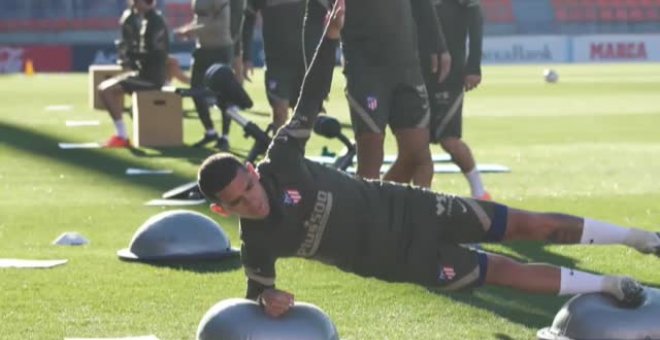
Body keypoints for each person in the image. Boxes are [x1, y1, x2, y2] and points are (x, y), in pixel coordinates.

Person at [197, 1, 656, 319]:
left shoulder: (281, 157)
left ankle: (638, 238)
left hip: (413, 207)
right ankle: (610, 286)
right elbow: (257, 292)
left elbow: (310, 98)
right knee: (505, 272)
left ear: (253, 171)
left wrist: (331, 37)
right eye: (237, 203)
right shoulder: (256, 242)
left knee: (526, 224)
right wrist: (269, 300)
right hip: (406, 260)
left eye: (248, 187)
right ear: (223, 210)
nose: (251, 202)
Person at [304, 0, 450, 188]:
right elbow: (314, 17)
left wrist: (438, 44)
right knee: (370, 162)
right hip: (366, 71)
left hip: (406, 65)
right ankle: (369, 215)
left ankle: (394, 213)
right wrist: (315, 75)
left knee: (417, 157)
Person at [420, 0, 490, 200]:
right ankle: (422, 199)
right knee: (416, 142)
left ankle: (479, 192)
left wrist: (474, 66)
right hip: (415, 71)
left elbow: (476, 20)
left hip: (448, 74)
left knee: (448, 139)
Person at [175, 0, 246, 151]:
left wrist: (192, 31)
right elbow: (200, 19)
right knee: (195, 90)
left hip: (220, 48)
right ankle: (210, 131)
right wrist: (189, 29)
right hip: (202, 48)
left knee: (223, 93)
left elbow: (220, 24)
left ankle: (224, 136)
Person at [99, 0, 169, 148]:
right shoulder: (150, 20)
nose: (133, 5)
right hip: (145, 74)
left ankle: (122, 136)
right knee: (107, 88)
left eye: (137, 2)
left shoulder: (153, 22)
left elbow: (157, 54)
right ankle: (121, 134)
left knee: (105, 90)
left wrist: (132, 55)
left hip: (150, 78)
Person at [242, 0, 308, 129]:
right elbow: (249, 19)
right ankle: (278, 148)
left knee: (303, 115)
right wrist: (246, 57)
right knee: (279, 112)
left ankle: (296, 148)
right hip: (276, 60)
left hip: (303, 59)